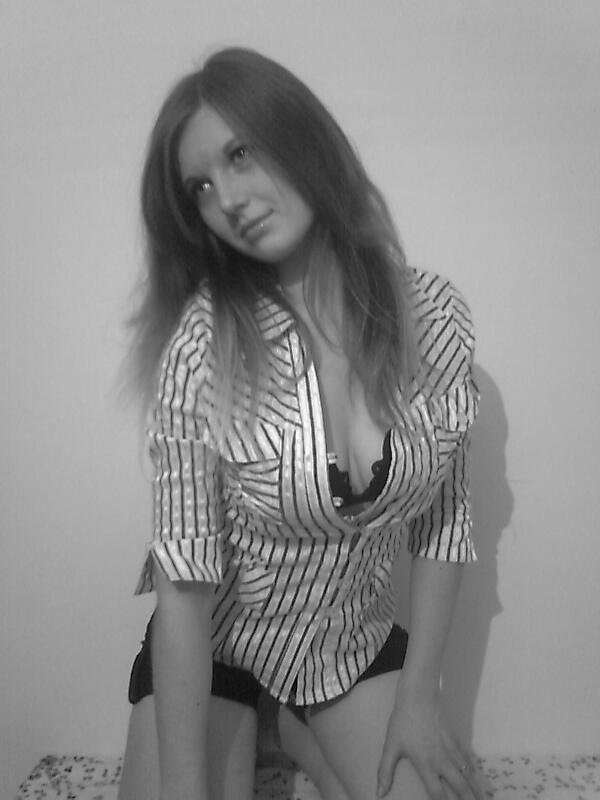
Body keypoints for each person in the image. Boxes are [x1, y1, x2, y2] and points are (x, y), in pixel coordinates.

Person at [118, 47, 483, 800]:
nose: (228, 199)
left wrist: (419, 698)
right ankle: (260, 721)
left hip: (347, 643)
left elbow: (444, 519)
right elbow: (183, 587)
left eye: (239, 154)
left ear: (301, 137)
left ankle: (293, 730)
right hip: (216, 646)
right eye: (201, 187)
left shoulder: (436, 318)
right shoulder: (202, 347)